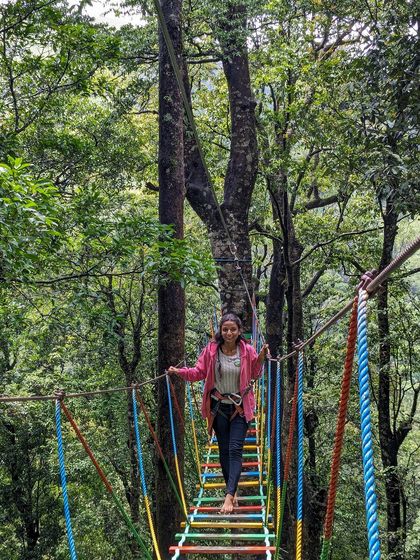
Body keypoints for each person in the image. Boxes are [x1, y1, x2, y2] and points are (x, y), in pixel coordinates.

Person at [168, 313, 269, 514]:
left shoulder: (247, 351)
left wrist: (261, 358)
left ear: (239, 331)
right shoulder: (211, 351)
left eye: (233, 329)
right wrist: (179, 372)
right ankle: (232, 492)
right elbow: (199, 372)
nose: (229, 332)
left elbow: (256, 374)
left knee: (234, 450)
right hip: (218, 407)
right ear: (220, 331)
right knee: (224, 452)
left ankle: (229, 497)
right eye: (225, 329)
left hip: (240, 407)